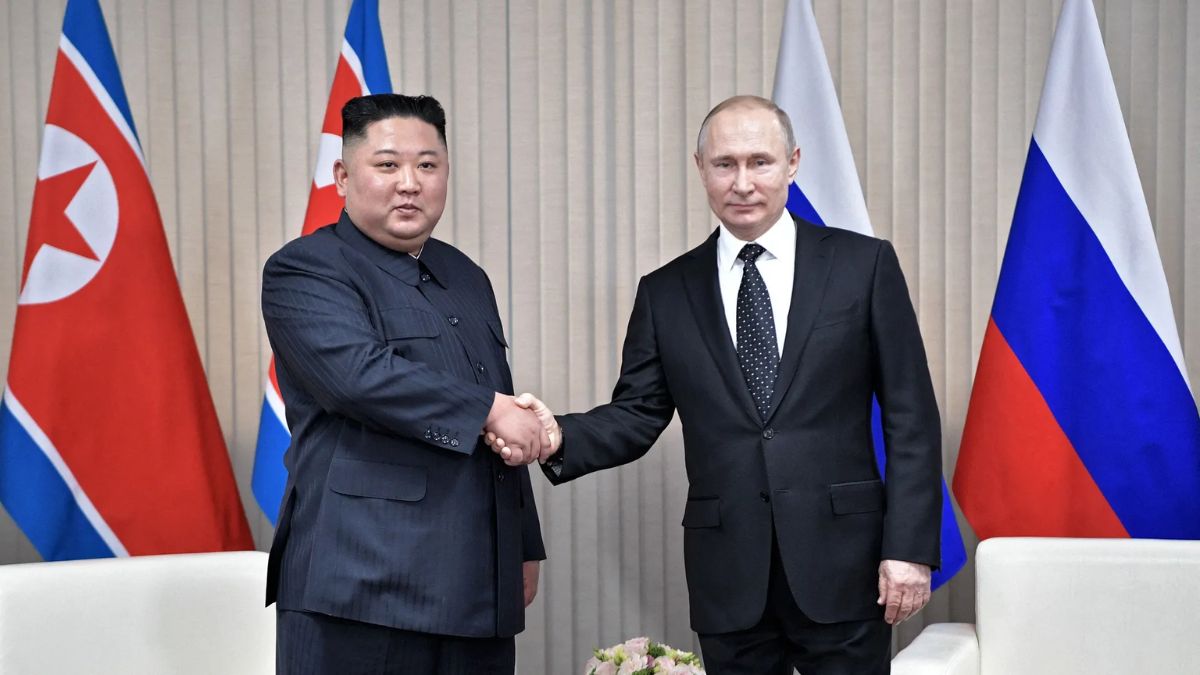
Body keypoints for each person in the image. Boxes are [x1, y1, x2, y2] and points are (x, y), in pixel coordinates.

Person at [490, 95, 942, 674]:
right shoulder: (666, 291)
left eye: (761, 162)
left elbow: (911, 416)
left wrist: (908, 548)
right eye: (725, 164)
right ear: (700, 168)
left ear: (793, 163)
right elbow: (637, 414)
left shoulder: (864, 265)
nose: (743, 182)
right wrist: (556, 436)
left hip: (845, 564)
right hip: (729, 574)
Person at [261, 93, 549, 675]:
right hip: (360, 588)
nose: (410, 183)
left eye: (427, 165)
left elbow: (499, 398)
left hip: (475, 585)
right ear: (343, 177)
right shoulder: (306, 268)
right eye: (388, 165)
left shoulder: (466, 276)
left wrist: (523, 543)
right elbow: (357, 377)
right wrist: (491, 411)